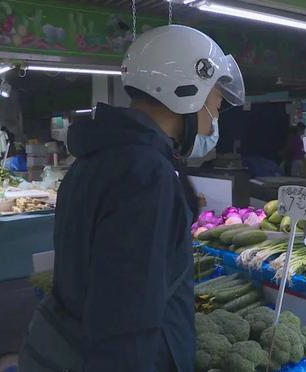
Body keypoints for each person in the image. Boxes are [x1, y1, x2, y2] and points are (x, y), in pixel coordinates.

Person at [19, 25, 244, 371]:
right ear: (187, 90)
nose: (216, 111)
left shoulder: (98, 157)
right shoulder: (146, 176)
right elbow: (127, 319)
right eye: (216, 97)